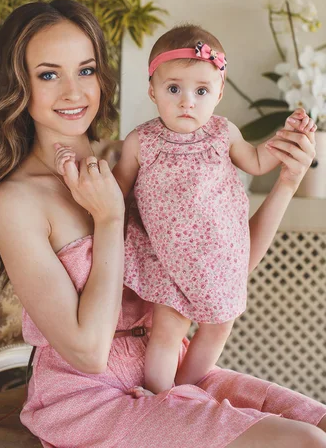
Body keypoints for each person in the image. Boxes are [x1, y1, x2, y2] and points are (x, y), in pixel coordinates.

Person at [0, 0, 326, 448]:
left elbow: (225, 269)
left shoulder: (137, 156)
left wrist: (286, 182)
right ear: (19, 85)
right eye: (49, 74)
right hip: (90, 398)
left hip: (172, 371)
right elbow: (87, 353)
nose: (73, 91)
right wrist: (109, 218)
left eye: (85, 71)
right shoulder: (15, 201)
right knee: (302, 443)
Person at [111, 24, 316, 395]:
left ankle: (185, 390)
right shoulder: (142, 141)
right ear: (152, 90)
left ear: (218, 93)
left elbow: (256, 160)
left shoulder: (224, 134)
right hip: (168, 259)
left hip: (219, 255)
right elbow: (116, 190)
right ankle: (158, 397)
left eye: (201, 90)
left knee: (220, 325)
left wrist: (286, 138)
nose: (187, 101)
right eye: (174, 89)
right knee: (168, 329)